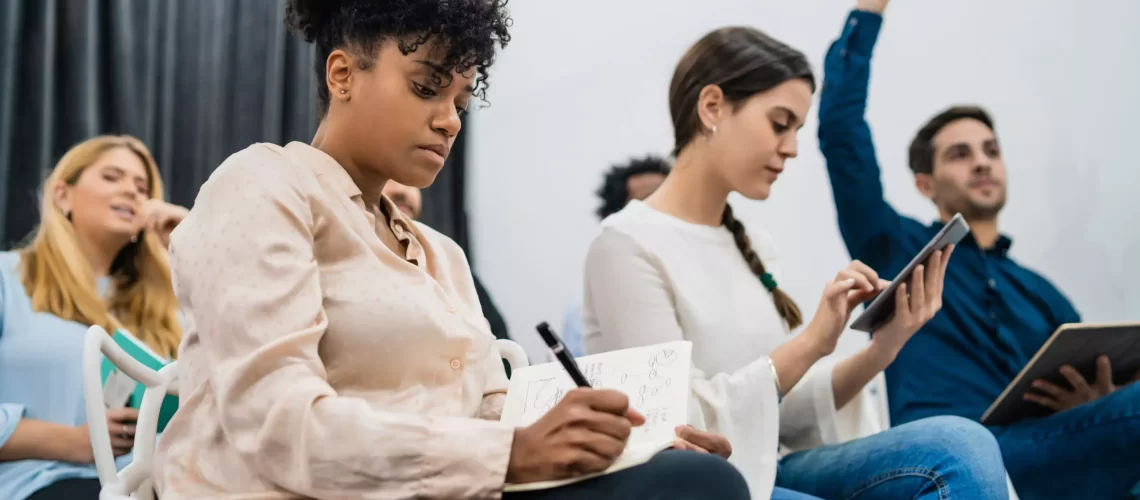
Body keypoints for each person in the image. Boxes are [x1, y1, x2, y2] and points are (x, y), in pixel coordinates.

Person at [152, 1, 749, 499]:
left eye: (460, 102)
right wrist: (513, 452)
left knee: (686, 473)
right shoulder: (263, 184)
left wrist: (621, 445)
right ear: (342, 75)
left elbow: (493, 412)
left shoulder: (441, 255)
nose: (449, 121)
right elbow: (275, 424)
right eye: (426, 88)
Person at [582, 25, 1011, 500]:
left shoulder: (754, 244)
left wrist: (882, 349)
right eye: (780, 123)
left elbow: (777, 413)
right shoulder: (624, 245)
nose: (792, 147)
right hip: (706, 482)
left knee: (963, 443)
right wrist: (810, 342)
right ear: (712, 107)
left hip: (772, 466)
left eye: (798, 130)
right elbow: (676, 423)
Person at [818, 0, 1140, 497]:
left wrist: (1103, 397)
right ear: (925, 184)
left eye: (991, 150)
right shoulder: (897, 248)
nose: (983, 163)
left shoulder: (1040, 292)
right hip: (953, 454)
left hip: (1057, 447)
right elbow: (841, 135)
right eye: (961, 154)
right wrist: (867, 15)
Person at [0, 135, 189, 500]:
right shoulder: (8, 279)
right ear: (62, 195)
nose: (133, 192)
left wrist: (189, 246)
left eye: (142, 186)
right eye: (112, 177)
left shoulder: (169, 306)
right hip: (41, 484)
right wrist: (71, 442)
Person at [561, 156, 671, 356]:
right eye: (648, 201)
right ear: (615, 217)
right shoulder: (582, 312)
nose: (664, 211)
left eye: (669, 199)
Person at [382, 181, 510, 340]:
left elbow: (503, 341)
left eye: (409, 181)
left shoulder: (451, 261)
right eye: (387, 179)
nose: (401, 190)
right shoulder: (353, 265)